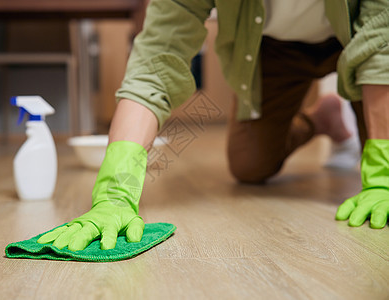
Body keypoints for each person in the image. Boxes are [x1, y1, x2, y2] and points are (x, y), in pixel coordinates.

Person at [37, 0, 389, 251]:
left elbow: (381, 47)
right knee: (250, 164)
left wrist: (383, 175)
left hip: (357, 37)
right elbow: (156, 60)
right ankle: (323, 118)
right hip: (274, 49)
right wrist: (115, 192)